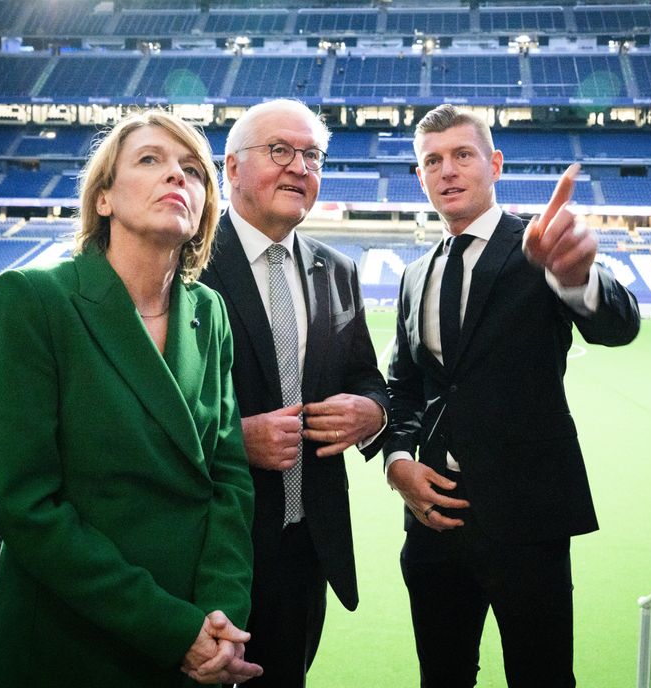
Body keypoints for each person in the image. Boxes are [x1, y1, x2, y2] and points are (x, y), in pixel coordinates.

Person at [0, 110, 261, 687]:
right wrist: (169, 627)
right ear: (103, 197)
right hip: (72, 641)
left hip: (193, 638)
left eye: (192, 169)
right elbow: (25, 506)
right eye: (150, 160)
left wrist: (219, 614)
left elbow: (229, 478)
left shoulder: (208, 312)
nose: (177, 177)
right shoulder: (35, 300)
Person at [384, 104, 641, 687]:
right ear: (418, 175)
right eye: (432, 160)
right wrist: (398, 463)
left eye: (462, 155)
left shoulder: (540, 246)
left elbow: (619, 326)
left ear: (494, 163)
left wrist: (576, 277)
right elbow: (406, 387)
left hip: (528, 518)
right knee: (442, 677)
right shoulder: (415, 272)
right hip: (434, 520)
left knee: (542, 677)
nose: (447, 170)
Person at [199, 99, 389, 687]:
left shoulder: (337, 268)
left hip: (306, 548)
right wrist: (235, 441)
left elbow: (365, 377)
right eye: (279, 151)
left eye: (312, 155)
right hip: (210, 546)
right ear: (231, 168)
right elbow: (144, 411)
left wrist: (372, 413)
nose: (299, 168)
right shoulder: (186, 264)